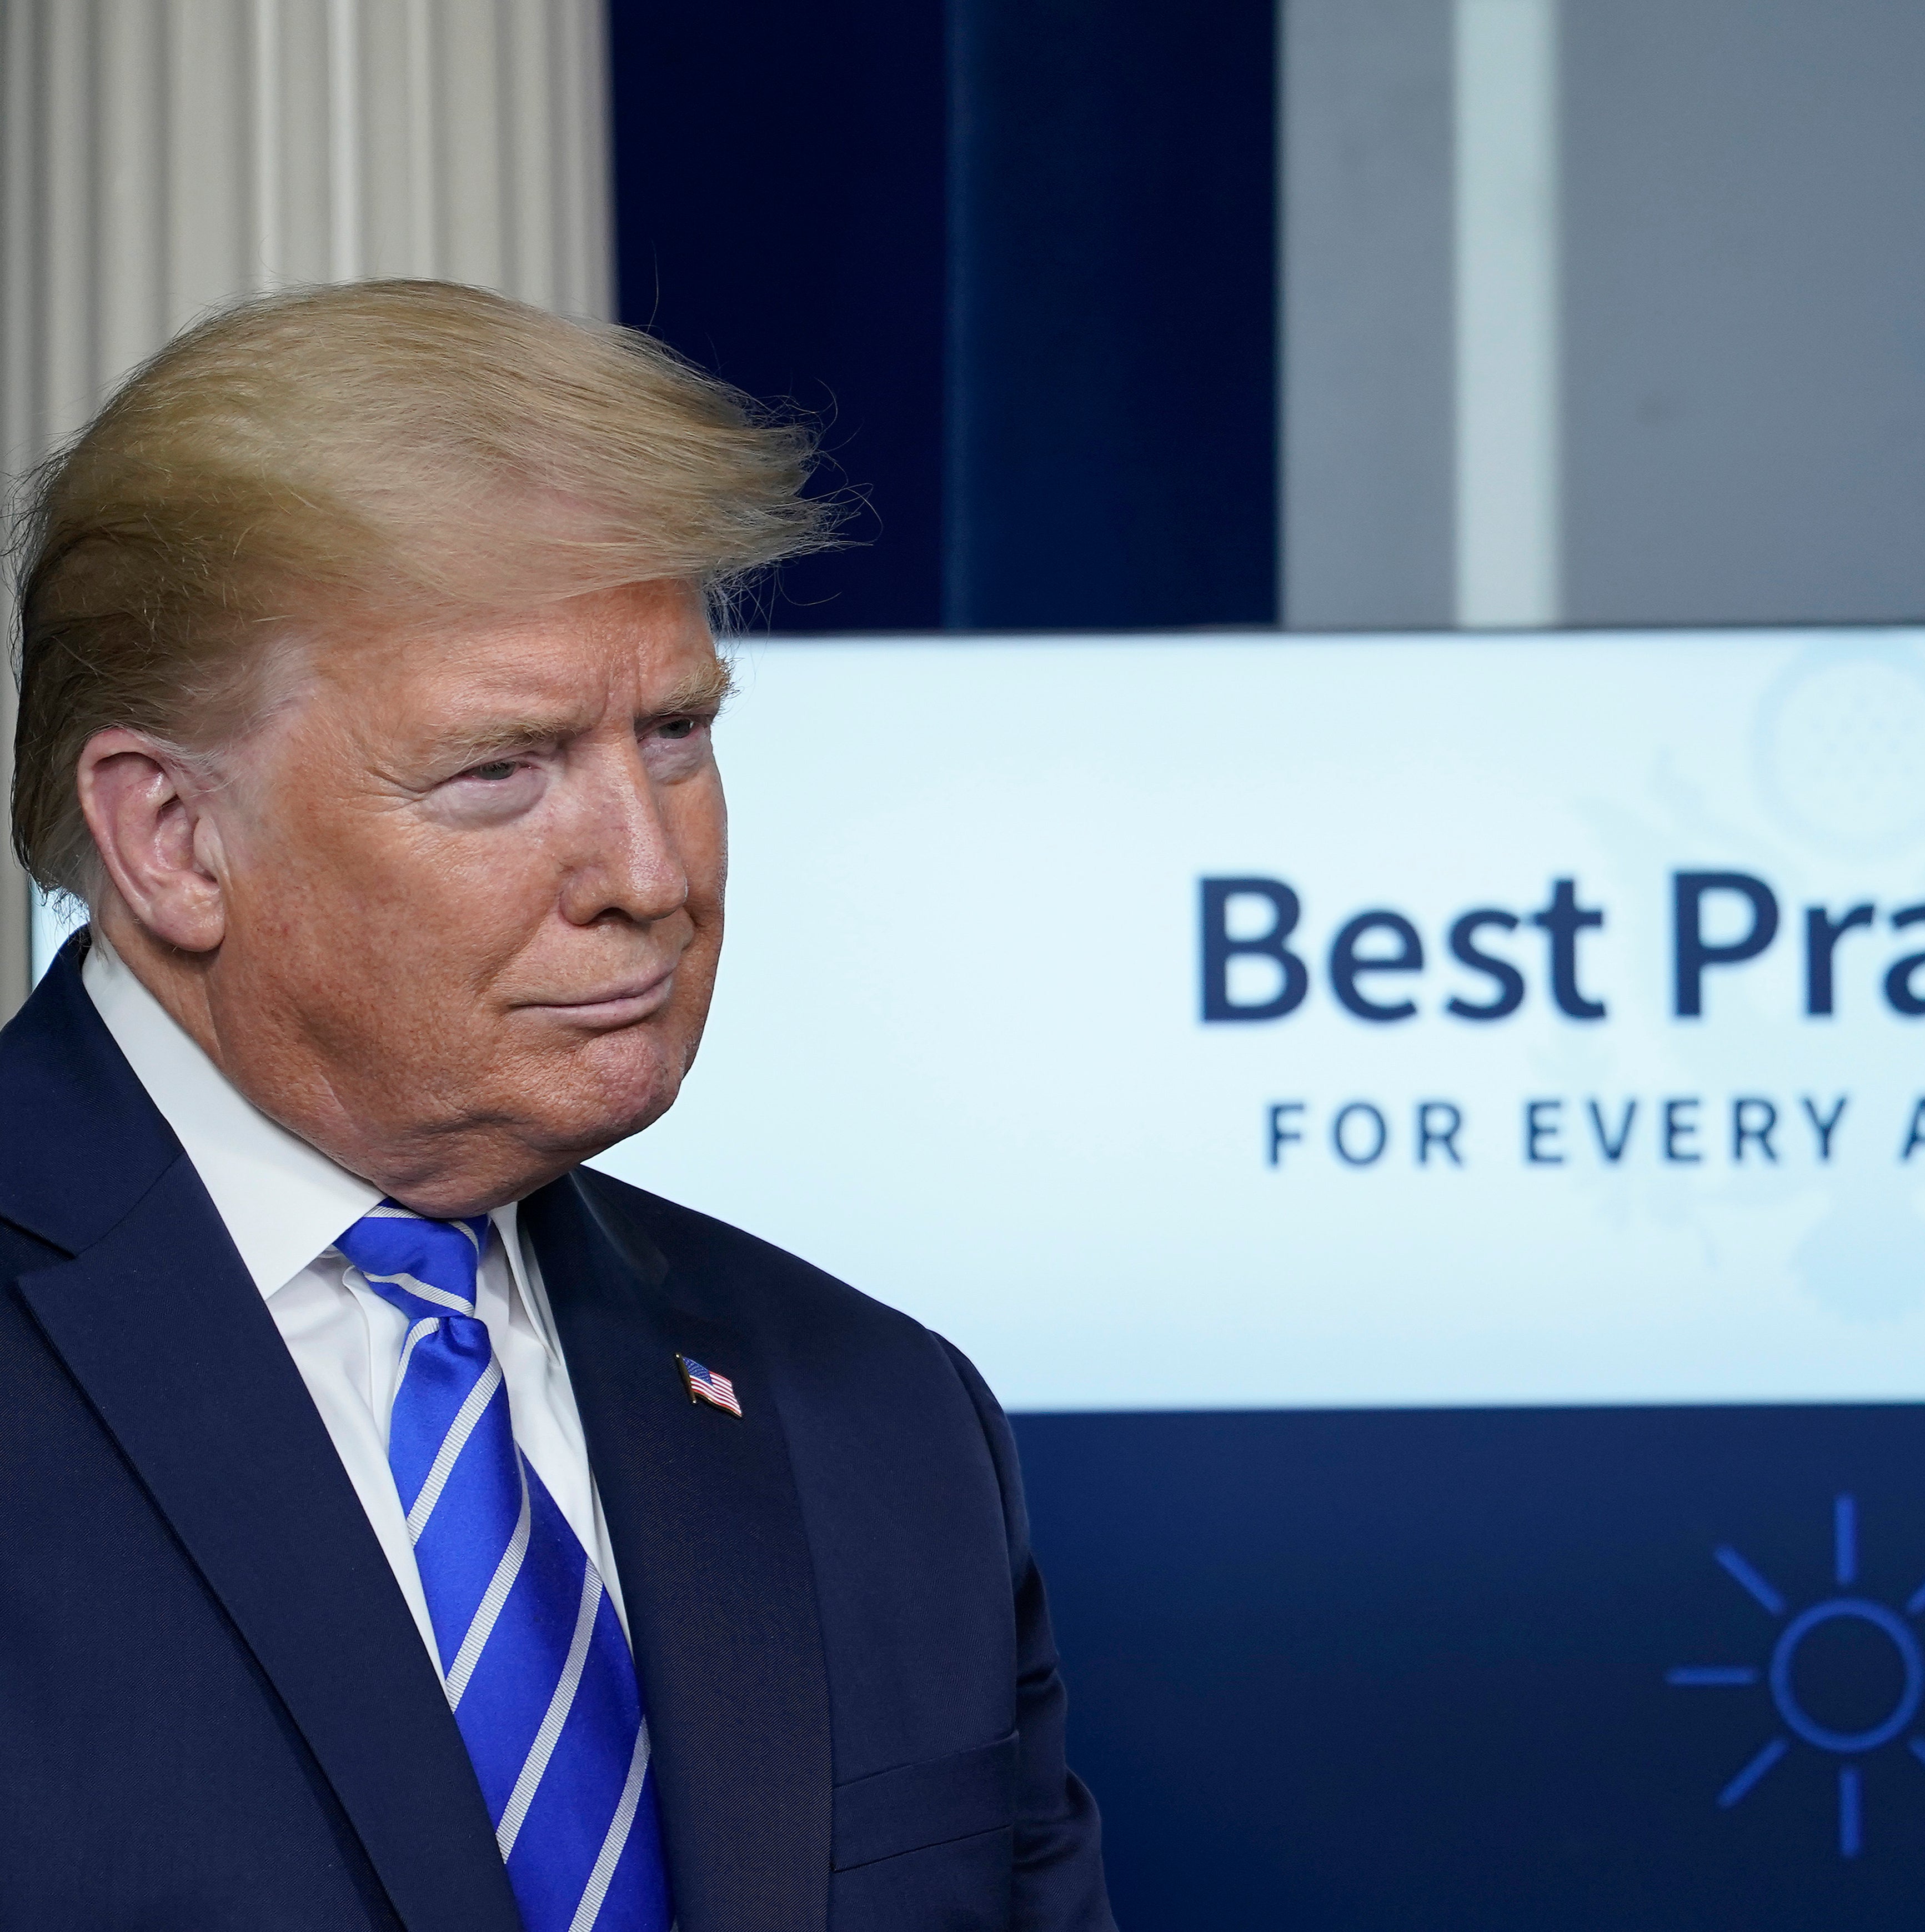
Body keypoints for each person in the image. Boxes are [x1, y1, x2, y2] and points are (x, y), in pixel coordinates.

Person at [0, 282, 1114, 1932]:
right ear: (169, 836)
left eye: (674, 734)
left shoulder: (882, 1423)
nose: (652, 875)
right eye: (501, 770)